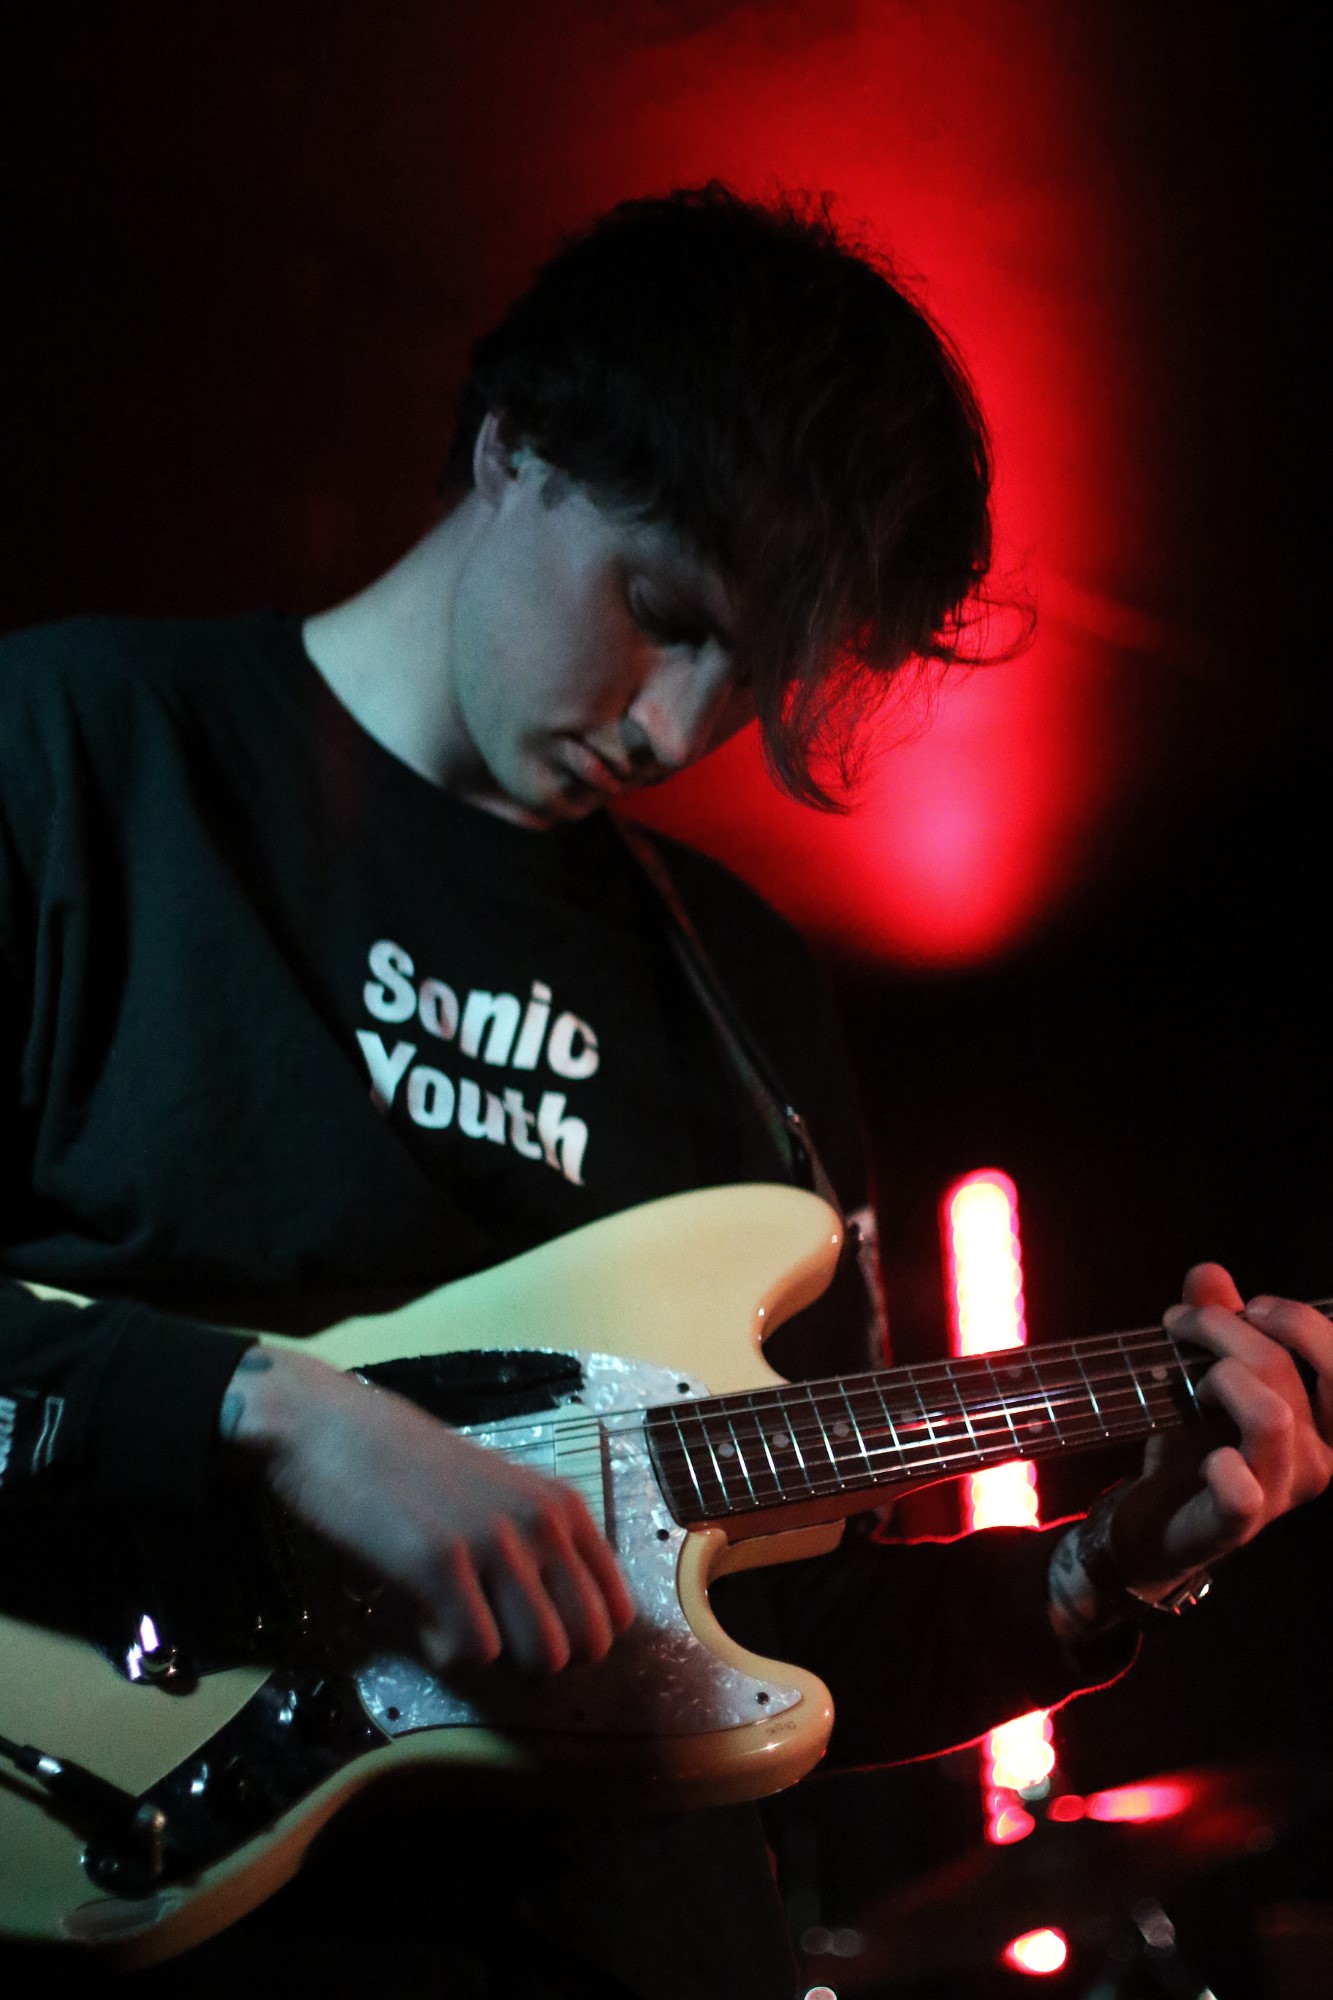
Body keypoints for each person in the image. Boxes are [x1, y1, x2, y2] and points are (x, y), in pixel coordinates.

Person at [1, 185, 1328, 1998]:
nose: (673, 728)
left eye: (749, 676)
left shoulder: (741, 988)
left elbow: (792, 1620)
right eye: (659, 611)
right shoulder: (78, 753)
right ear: (513, 446)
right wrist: (282, 1416)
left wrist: (1103, 1571)